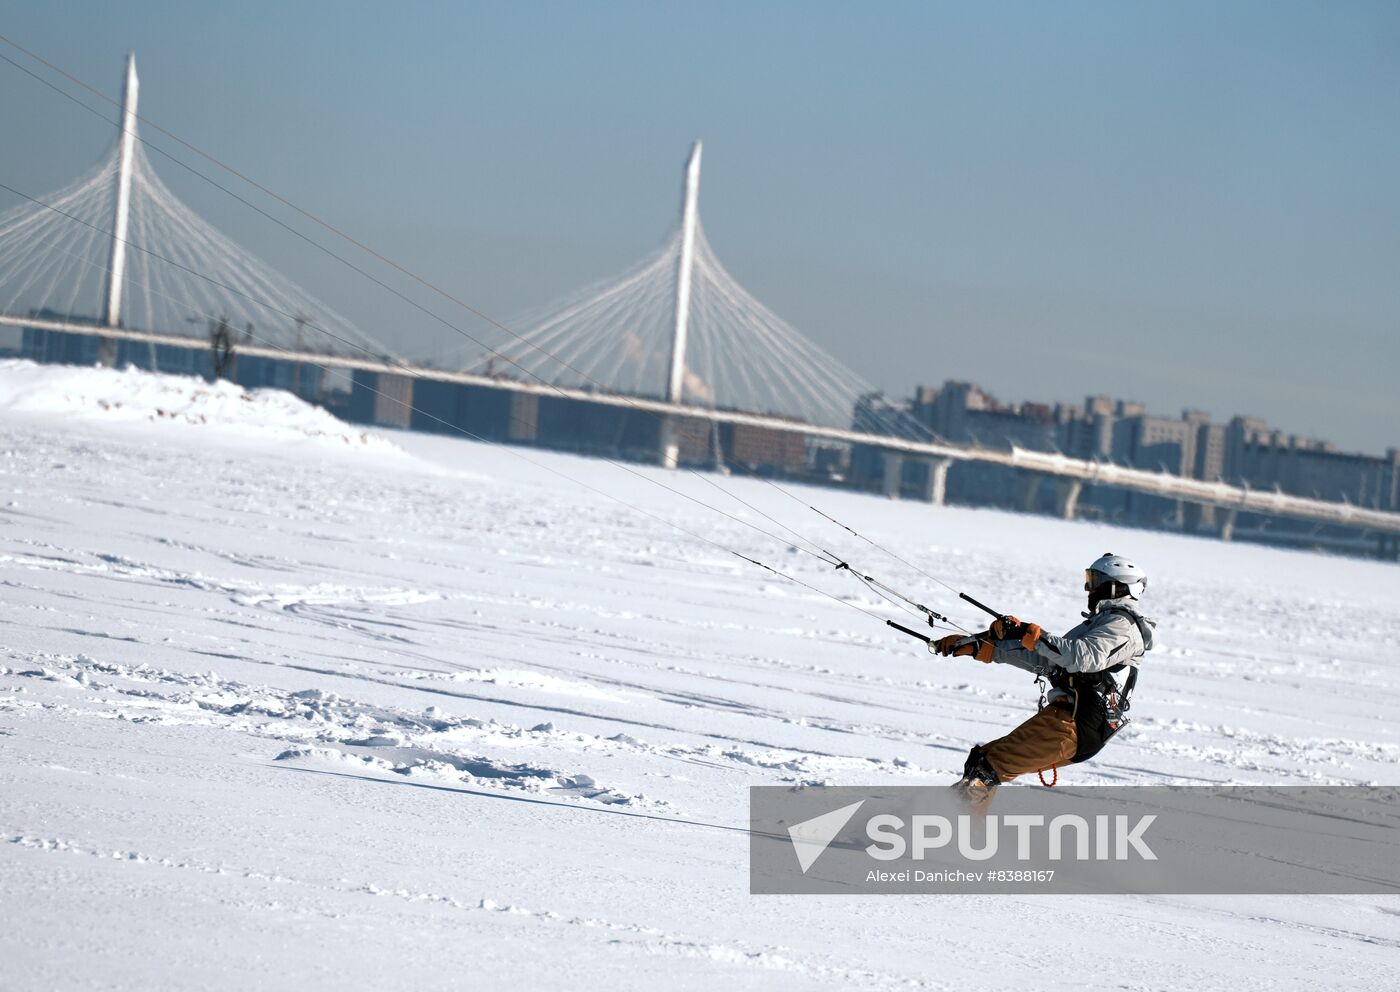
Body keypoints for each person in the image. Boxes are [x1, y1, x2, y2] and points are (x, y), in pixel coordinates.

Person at [933, 553, 1156, 807]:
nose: (1088, 588)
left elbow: (1084, 657)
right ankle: (952, 825)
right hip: (1065, 719)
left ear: (1116, 587)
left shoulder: (1122, 625)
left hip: (1077, 723)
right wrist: (986, 648)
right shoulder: (1101, 623)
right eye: (1088, 579)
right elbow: (1051, 660)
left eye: (1094, 580)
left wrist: (1032, 634)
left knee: (989, 767)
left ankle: (947, 825)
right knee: (984, 761)